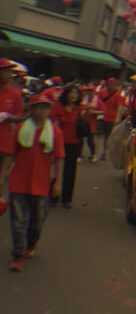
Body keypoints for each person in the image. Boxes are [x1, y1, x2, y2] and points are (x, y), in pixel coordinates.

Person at [8, 94, 64, 271]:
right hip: (19, 181)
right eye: (39, 107)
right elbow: (10, 154)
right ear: (31, 110)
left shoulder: (55, 132)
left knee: (36, 222)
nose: (42, 111)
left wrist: (57, 182)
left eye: (46, 107)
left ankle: (31, 244)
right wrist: (2, 176)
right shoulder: (20, 129)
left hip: (41, 183)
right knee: (18, 221)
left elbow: (60, 157)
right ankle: (18, 254)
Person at [50, 85, 83, 209]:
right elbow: (55, 125)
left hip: (73, 143)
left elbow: (81, 125)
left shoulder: (78, 109)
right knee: (55, 169)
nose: (74, 95)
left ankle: (67, 199)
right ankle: (53, 195)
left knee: (70, 171)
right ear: (66, 94)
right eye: (71, 92)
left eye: (76, 93)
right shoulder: (58, 107)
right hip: (59, 142)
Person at [0, 57, 26, 206]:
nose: (10, 74)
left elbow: (21, 116)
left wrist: (9, 117)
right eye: (7, 71)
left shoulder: (15, 94)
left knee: (1, 179)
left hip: (5, 144)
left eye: (11, 71)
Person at [97, 79, 124, 161]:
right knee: (97, 134)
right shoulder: (102, 92)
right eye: (109, 84)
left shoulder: (118, 95)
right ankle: (95, 152)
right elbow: (97, 102)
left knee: (107, 136)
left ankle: (104, 152)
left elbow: (120, 107)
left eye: (113, 84)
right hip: (100, 116)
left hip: (111, 118)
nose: (111, 85)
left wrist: (117, 117)